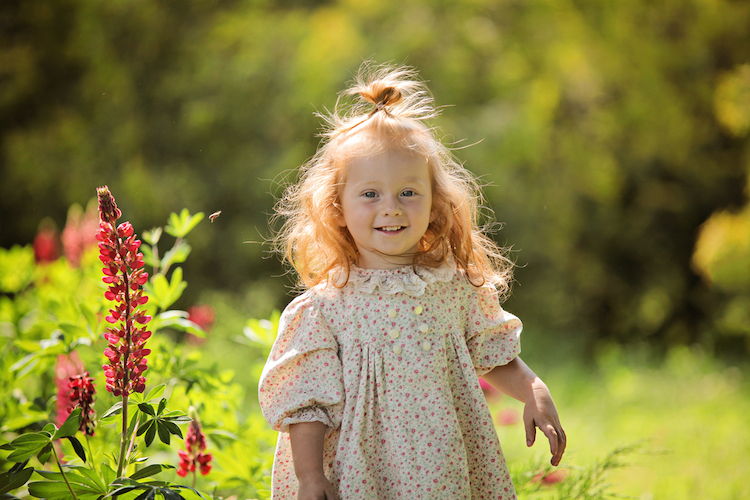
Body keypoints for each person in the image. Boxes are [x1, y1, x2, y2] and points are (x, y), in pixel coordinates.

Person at [259, 63, 566, 500]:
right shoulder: (326, 308)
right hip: (361, 473)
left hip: (444, 469)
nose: (391, 208)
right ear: (337, 208)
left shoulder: (455, 289)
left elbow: (494, 356)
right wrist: (311, 477)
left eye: (408, 192)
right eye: (370, 194)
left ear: (436, 204)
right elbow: (308, 405)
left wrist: (534, 390)